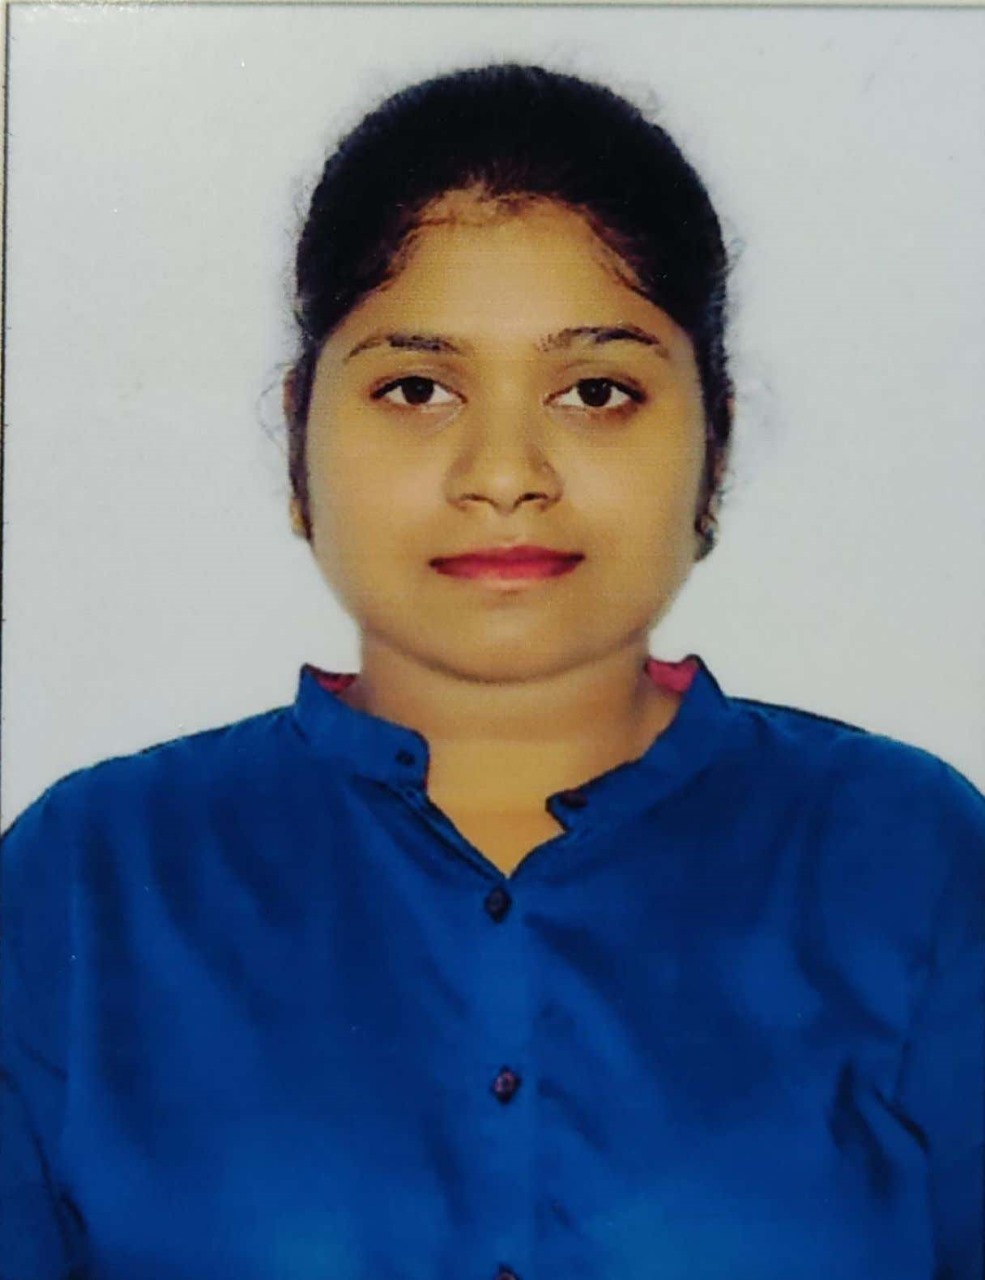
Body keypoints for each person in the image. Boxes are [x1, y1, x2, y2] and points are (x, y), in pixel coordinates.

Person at [1, 63, 981, 1280]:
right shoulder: (89, 881)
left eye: (596, 391)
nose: (505, 471)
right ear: (300, 435)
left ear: (714, 440)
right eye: (417, 388)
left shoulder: (911, 857)